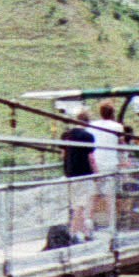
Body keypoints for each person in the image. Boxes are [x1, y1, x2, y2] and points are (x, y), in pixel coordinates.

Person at [85, 98, 128, 234]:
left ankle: (88, 224)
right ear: (113, 113)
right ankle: (111, 225)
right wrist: (124, 159)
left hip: (95, 164)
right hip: (110, 164)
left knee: (93, 195)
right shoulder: (117, 127)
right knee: (110, 196)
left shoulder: (92, 125)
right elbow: (122, 145)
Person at [55, 101, 94, 246]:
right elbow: (91, 158)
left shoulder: (66, 135)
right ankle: (71, 234)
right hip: (84, 173)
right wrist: (97, 174)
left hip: (69, 173)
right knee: (81, 206)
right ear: (87, 122)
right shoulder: (88, 136)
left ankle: (86, 233)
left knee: (75, 205)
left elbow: (62, 154)